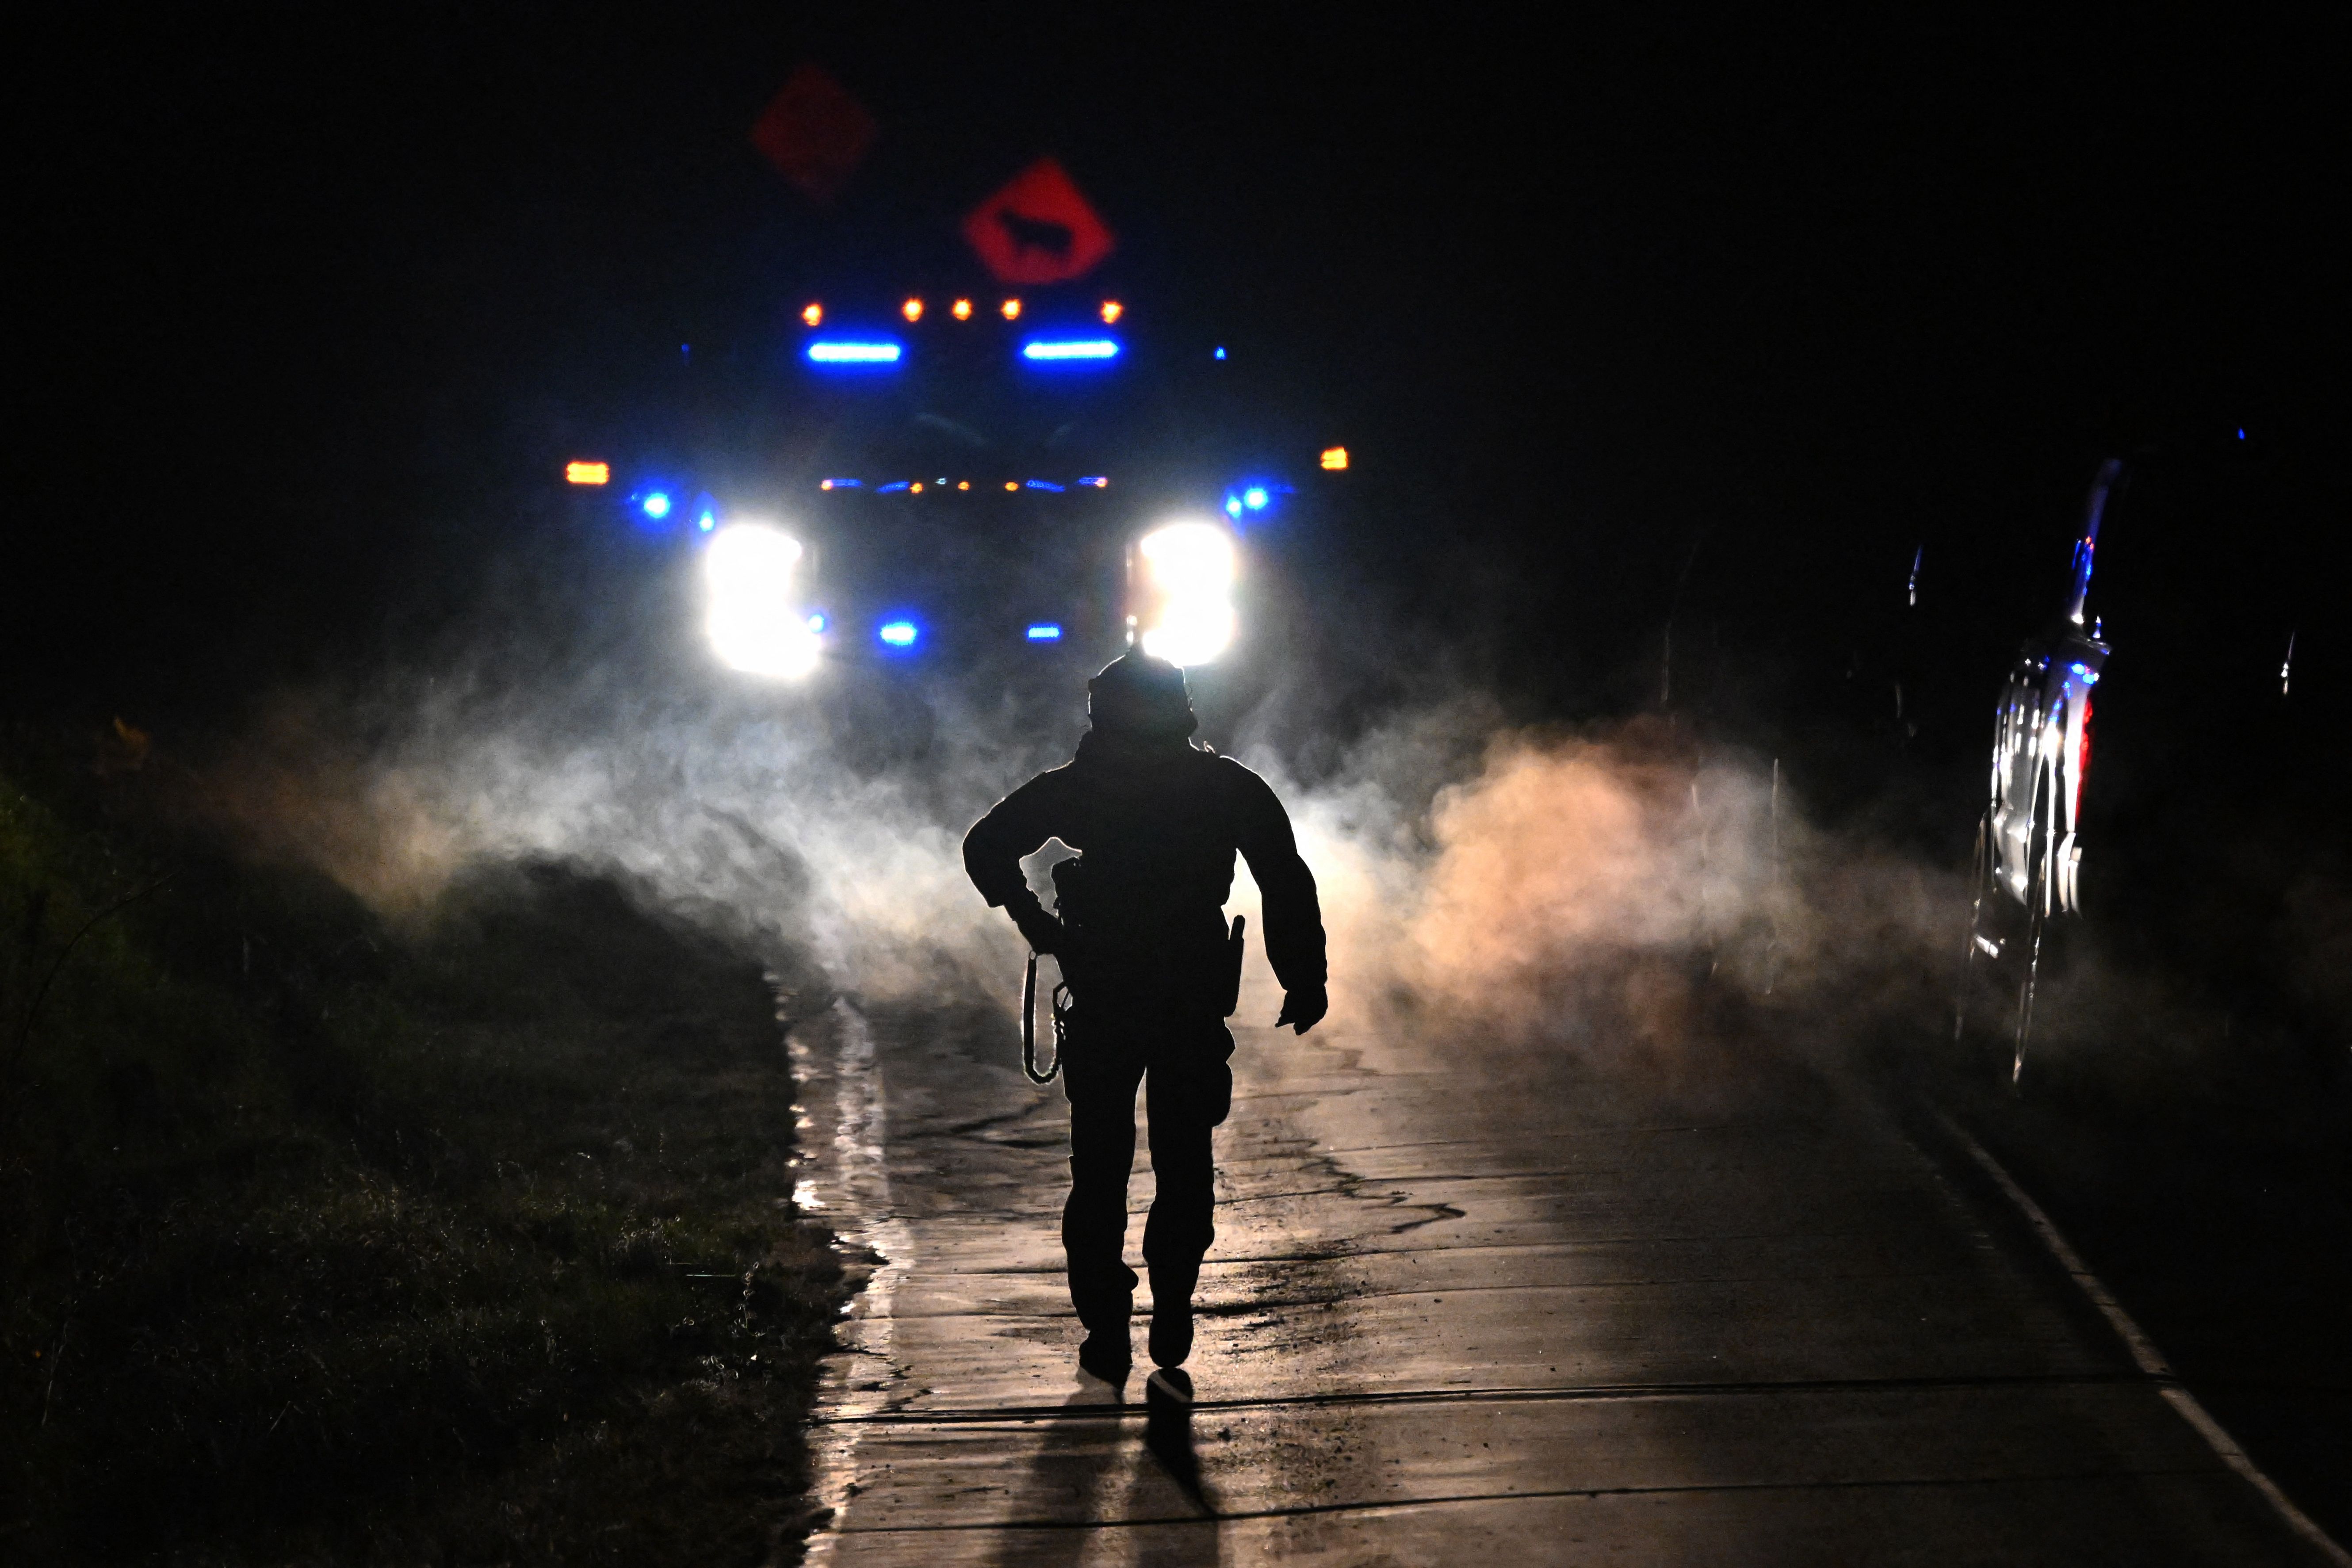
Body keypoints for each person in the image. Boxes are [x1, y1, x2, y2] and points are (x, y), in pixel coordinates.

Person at [963, 654, 1327, 1407]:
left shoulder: (1084, 785)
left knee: (1101, 1166)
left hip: (1112, 998)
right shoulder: (1223, 785)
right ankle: (1170, 1303)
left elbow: (986, 845)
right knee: (1181, 1160)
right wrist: (1303, 974)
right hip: (1185, 1000)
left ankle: (1107, 1318)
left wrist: (1040, 927)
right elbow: (1283, 875)